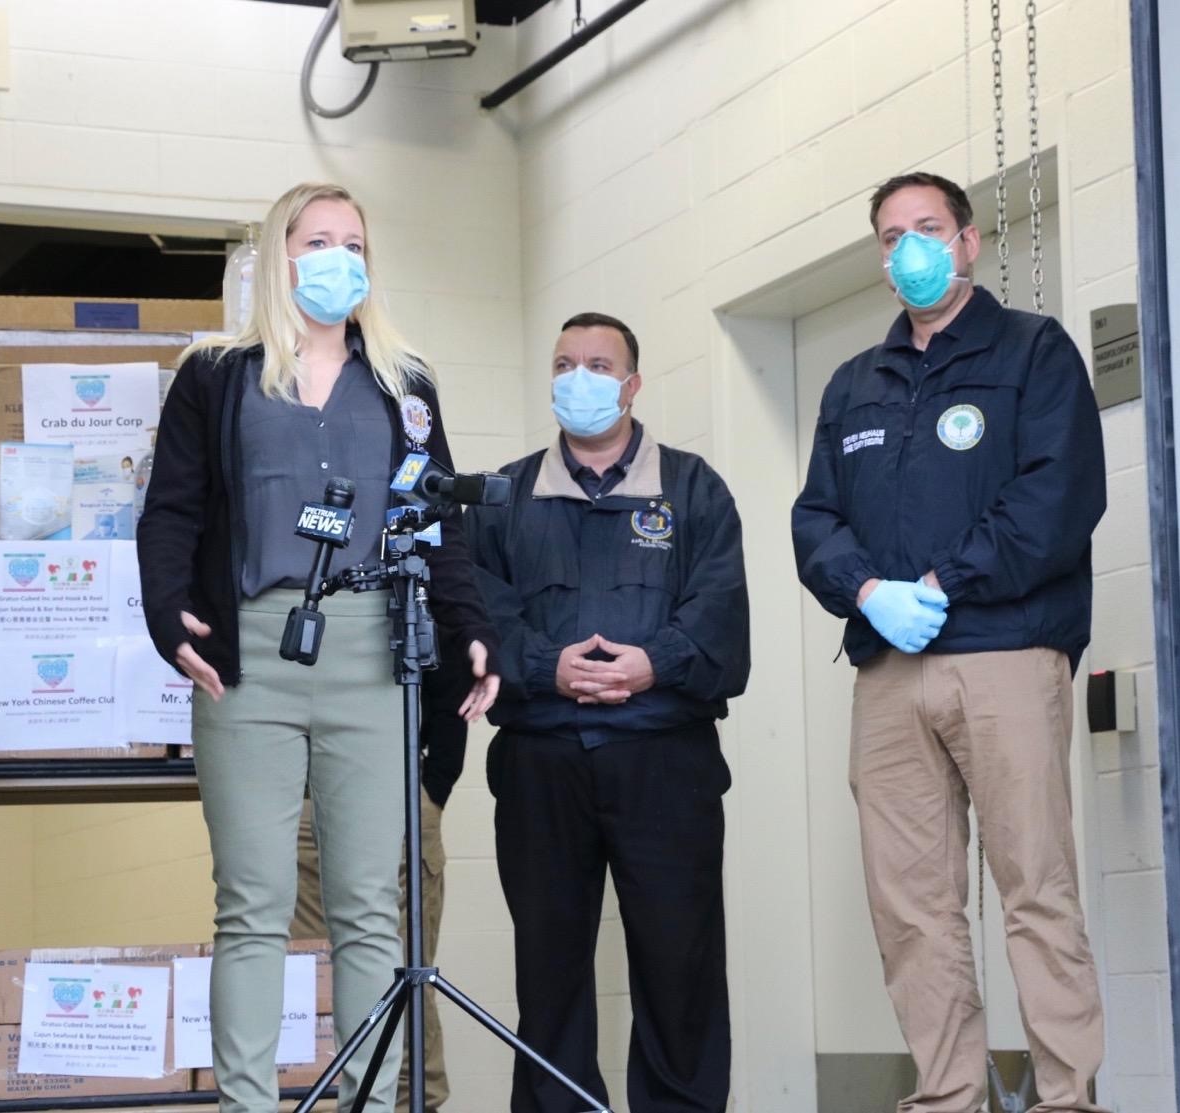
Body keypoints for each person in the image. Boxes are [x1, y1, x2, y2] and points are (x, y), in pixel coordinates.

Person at [136, 181, 499, 1113]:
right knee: (251, 904)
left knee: (369, 909)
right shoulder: (215, 371)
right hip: (250, 651)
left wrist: (470, 633)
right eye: (318, 239)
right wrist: (168, 612)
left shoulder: (404, 381)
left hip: (373, 653)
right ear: (280, 252)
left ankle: (372, 1103)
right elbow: (171, 510)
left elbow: (435, 524)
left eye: (354, 242)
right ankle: (248, 1104)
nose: (338, 257)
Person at [791, 171, 1108, 1113]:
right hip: (889, 671)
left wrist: (943, 582)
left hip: (1005, 653)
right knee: (912, 909)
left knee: (1035, 889)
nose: (911, 249)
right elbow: (815, 518)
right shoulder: (856, 383)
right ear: (882, 259)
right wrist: (869, 590)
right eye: (893, 236)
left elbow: (1057, 498)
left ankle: (1067, 1097)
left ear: (968, 242)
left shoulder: (1032, 353)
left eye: (928, 228)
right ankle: (948, 1096)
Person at [464, 312, 749, 1113]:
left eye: (598, 364)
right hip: (540, 764)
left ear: (632, 383)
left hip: (666, 760)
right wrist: (545, 668)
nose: (578, 378)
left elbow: (721, 616)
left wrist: (653, 662)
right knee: (549, 969)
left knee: (678, 960)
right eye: (563, 363)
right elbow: (479, 621)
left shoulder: (693, 489)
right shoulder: (502, 497)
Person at [291, 640, 472, 1113]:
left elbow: (450, 663)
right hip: (301, 800)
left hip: (402, 795)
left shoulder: (414, 567)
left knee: (407, 980)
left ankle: (415, 1105)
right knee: (310, 986)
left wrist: (433, 790)